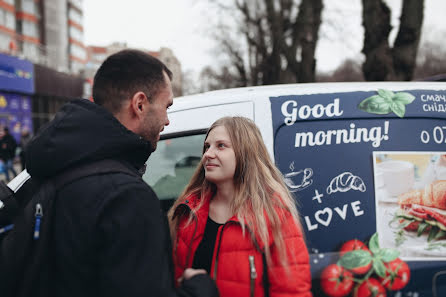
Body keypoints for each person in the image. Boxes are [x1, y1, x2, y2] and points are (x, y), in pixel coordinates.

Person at [25, 49, 218, 297]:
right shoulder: (126, 198)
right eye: (166, 106)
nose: (168, 120)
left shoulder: (54, 169)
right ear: (139, 104)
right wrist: (200, 289)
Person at [168, 116, 312, 297]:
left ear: (245, 153)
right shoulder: (189, 211)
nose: (208, 154)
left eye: (221, 146)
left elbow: (291, 292)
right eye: (207, 146)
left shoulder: (274, 215)